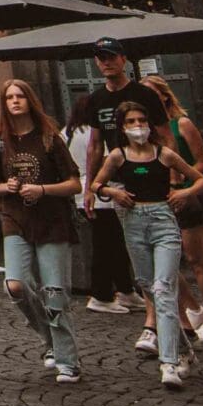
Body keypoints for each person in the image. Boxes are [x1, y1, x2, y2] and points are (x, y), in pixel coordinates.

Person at [92, 94, 201, 389]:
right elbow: (97, 184)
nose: (137, 126)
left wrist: (184, 193)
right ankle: (185, 351)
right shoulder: (117, 156)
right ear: (122, 127)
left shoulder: (163, 153)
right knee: (148, 285)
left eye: (141, 121)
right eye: (131, 122)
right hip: (133, 222)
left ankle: (169, 363)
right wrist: (113, 193)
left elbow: (199, 178)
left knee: (164, 289)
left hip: (163, 221)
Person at [0, 79, 81, 383]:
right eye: (9, 97)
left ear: (30, 101)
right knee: (14, 284)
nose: (15, 102)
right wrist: (7, 187)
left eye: (20, 96)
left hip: (52, 219)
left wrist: (42, 189)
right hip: (16, 218)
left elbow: (74, 183)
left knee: (54, 291)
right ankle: (49, 338)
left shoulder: (49, 138)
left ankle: (68, 359)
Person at [68, 39, 154, 315]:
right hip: (110, 185)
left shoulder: (143, 95)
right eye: (100, 57)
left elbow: (163, 138)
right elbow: (94, 146)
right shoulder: (97, 101)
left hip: (144, 180)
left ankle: (128, 292)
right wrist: (94, 186)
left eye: (111, 56)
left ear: (123, 59)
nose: (106, 62)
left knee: (133, 245)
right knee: (114, 244)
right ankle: (115, 294)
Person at [141, 73, 203, 345]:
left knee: (198, 262)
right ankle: (193, 308)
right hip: (157, 201)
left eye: (152, 93)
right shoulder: (143, 131)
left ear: (164, 96)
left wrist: (184, 182)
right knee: (161, 262)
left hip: (186, 196)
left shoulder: (181, 124)